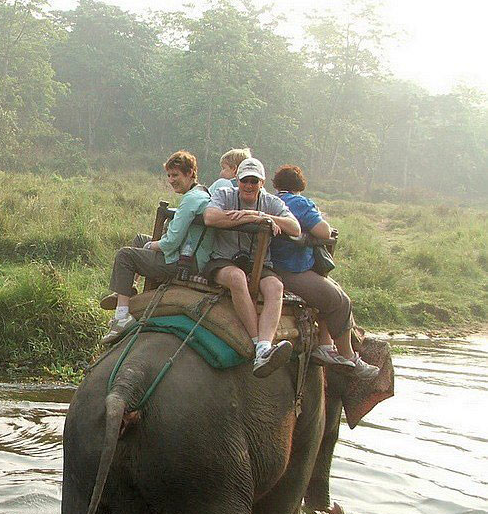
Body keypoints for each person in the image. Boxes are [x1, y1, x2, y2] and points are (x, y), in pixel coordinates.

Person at [270, 165, 379, 379]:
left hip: (271, 266)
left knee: (331, 290)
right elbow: (323, 231)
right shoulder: (299, 202)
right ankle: (348, 356)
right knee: (340, 300)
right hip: (291, 270)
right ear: (300, 185)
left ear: (276, 184)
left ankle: (325, 344)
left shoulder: (271, 201)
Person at [202, 157, 301, 377]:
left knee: (275, 287)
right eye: (245, 180)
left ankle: (265, 345)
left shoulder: (270, 202)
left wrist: (260, 216)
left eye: (254, 181)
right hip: (224, 260)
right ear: (237, 180)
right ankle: (258, 345)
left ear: (262, 183)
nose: (249, 185)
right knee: (236, 278)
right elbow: (210, 217)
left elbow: (295, 228)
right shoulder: (225, 194)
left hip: (259, 263)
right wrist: (244, 218)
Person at [103, 150, 213, 343]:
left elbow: (171, 242)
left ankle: (121, 317)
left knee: (125, 255)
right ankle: (128, 288)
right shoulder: (200, 192)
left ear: (190, 173)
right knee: (139, 239)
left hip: (184, 261)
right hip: (187, 251)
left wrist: (152, 245)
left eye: (176, 175)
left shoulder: (191, 200)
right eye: (169, 175)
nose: (171, 180)